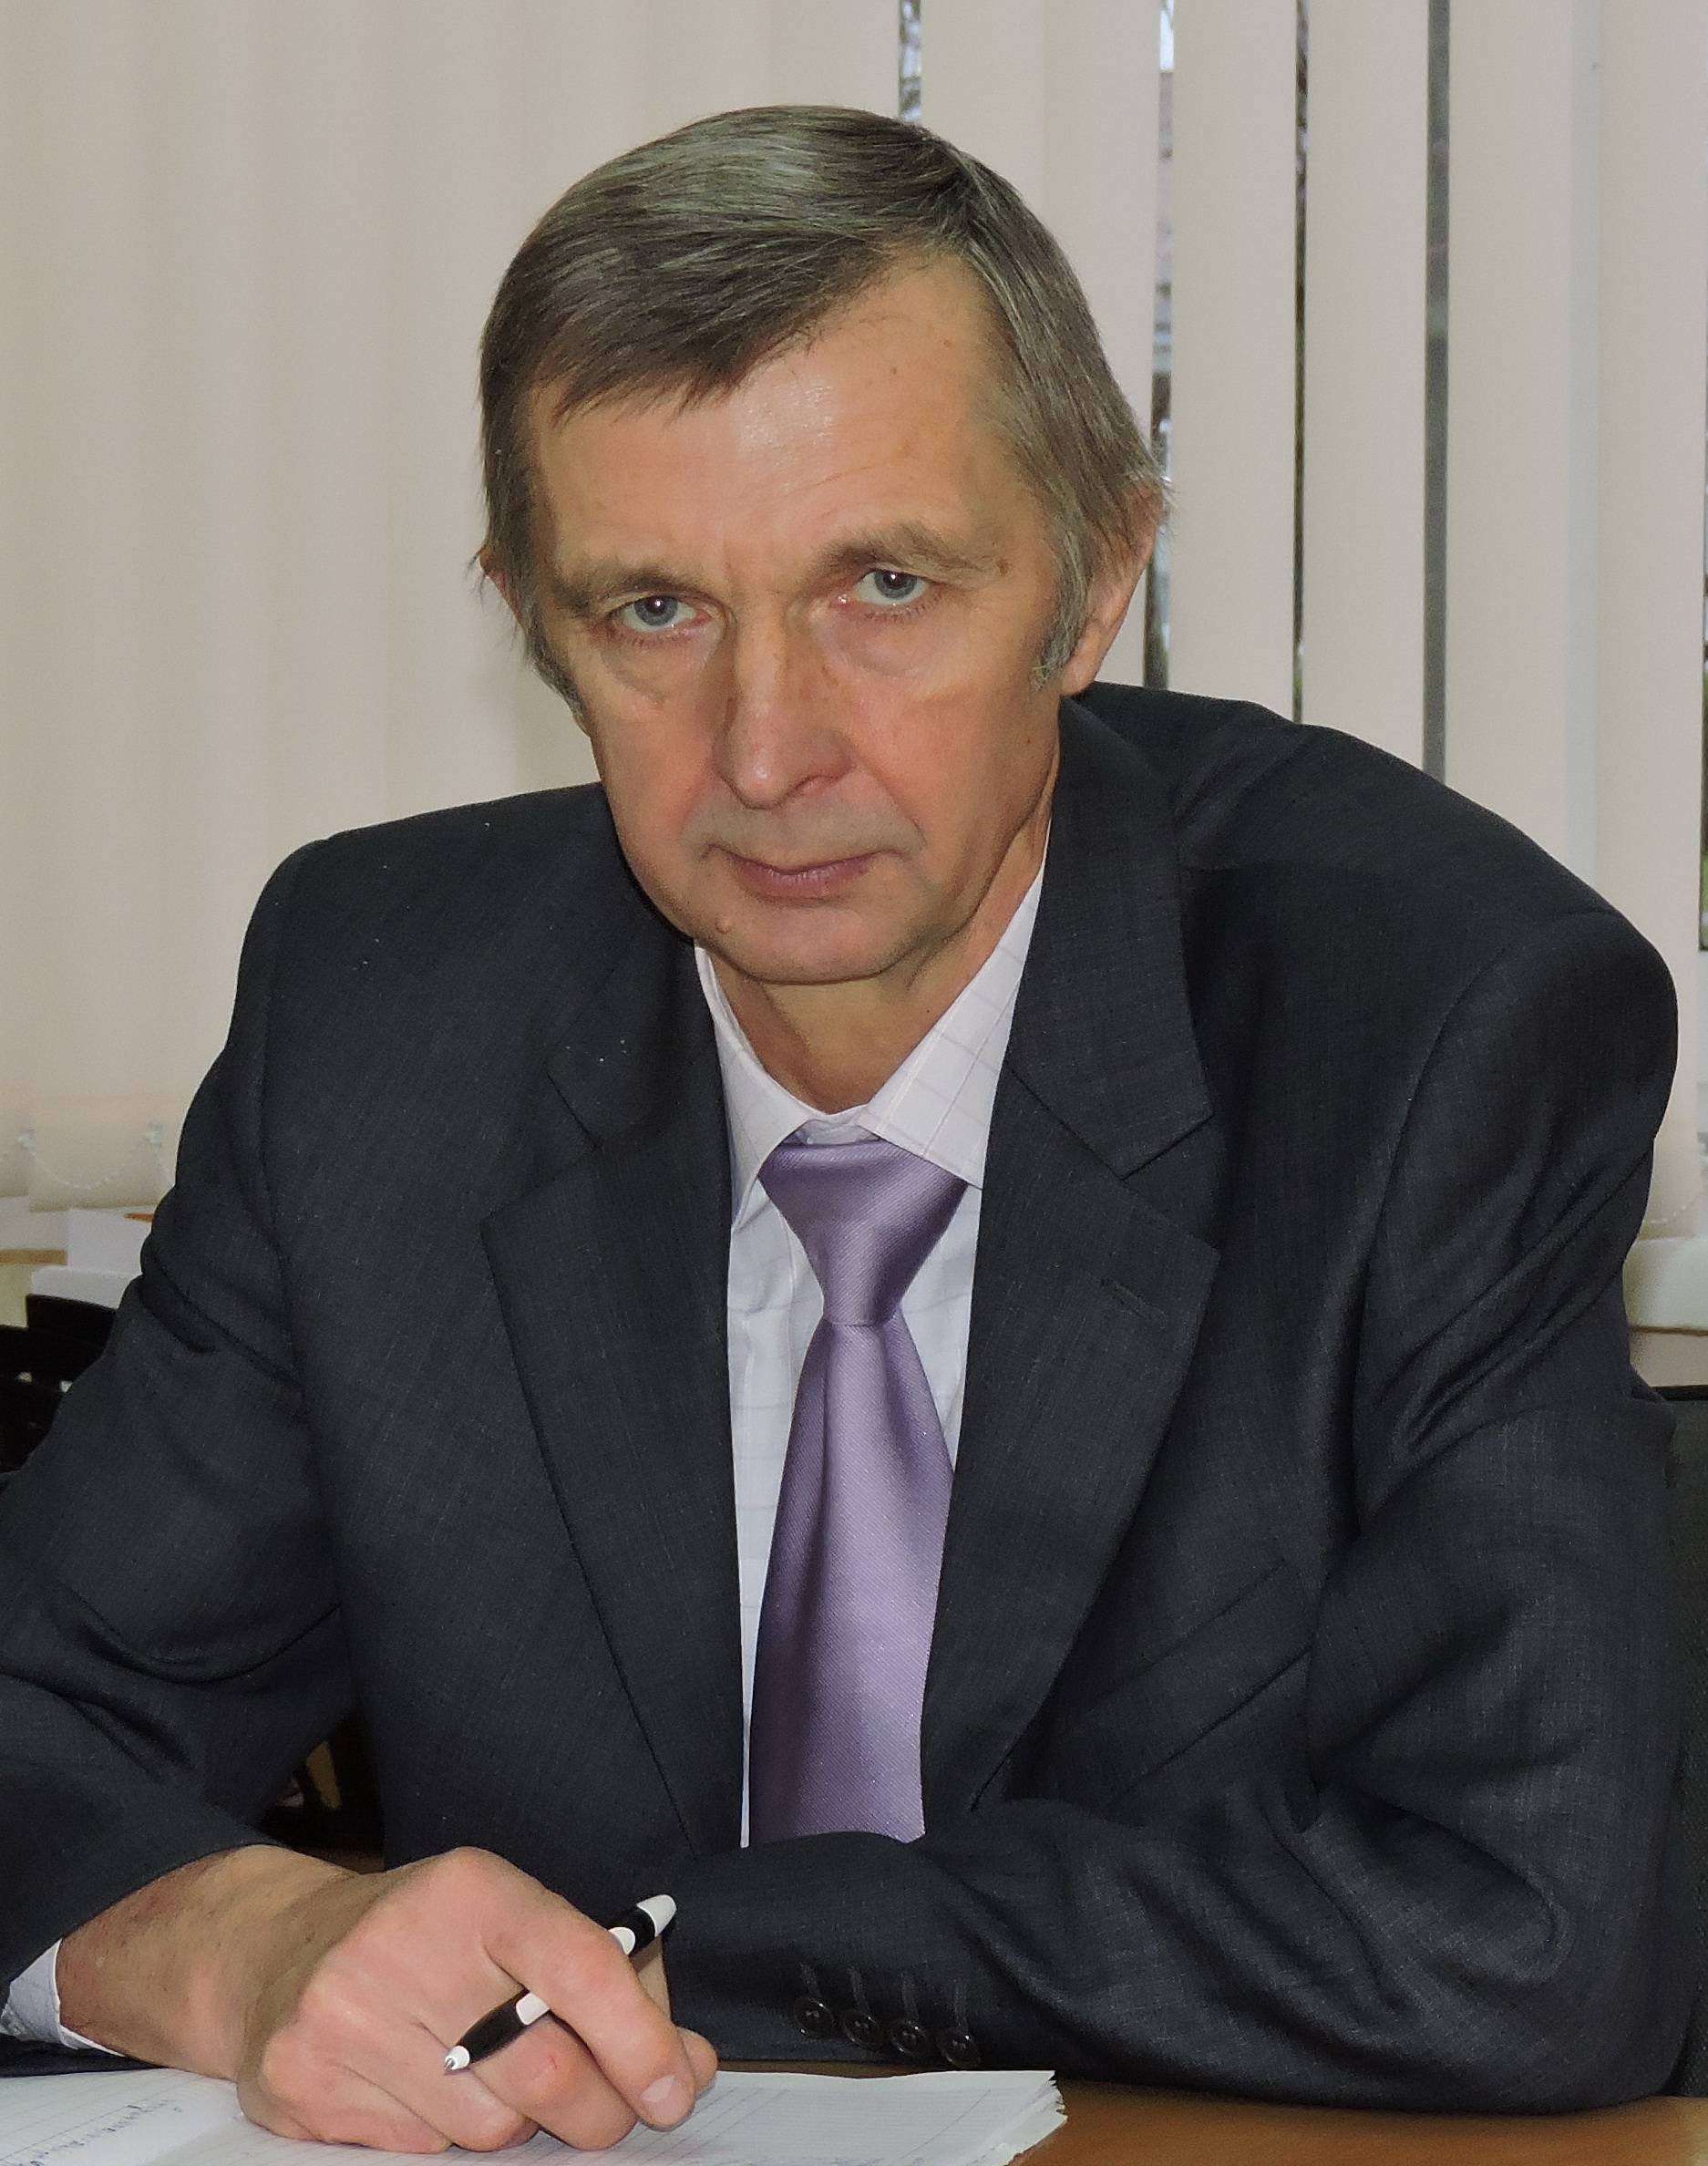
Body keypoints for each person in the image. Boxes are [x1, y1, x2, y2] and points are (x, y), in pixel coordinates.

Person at [0, 105, 1691, 2147]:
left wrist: (680, 1944)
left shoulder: (1425, 1027)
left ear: (1092, 584)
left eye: (883, 585)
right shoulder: (384, 1020)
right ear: (533, 619)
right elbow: (38, 1707)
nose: (766, 749)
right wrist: (235, 1941)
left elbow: (1526, 1935)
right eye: (652, 611)